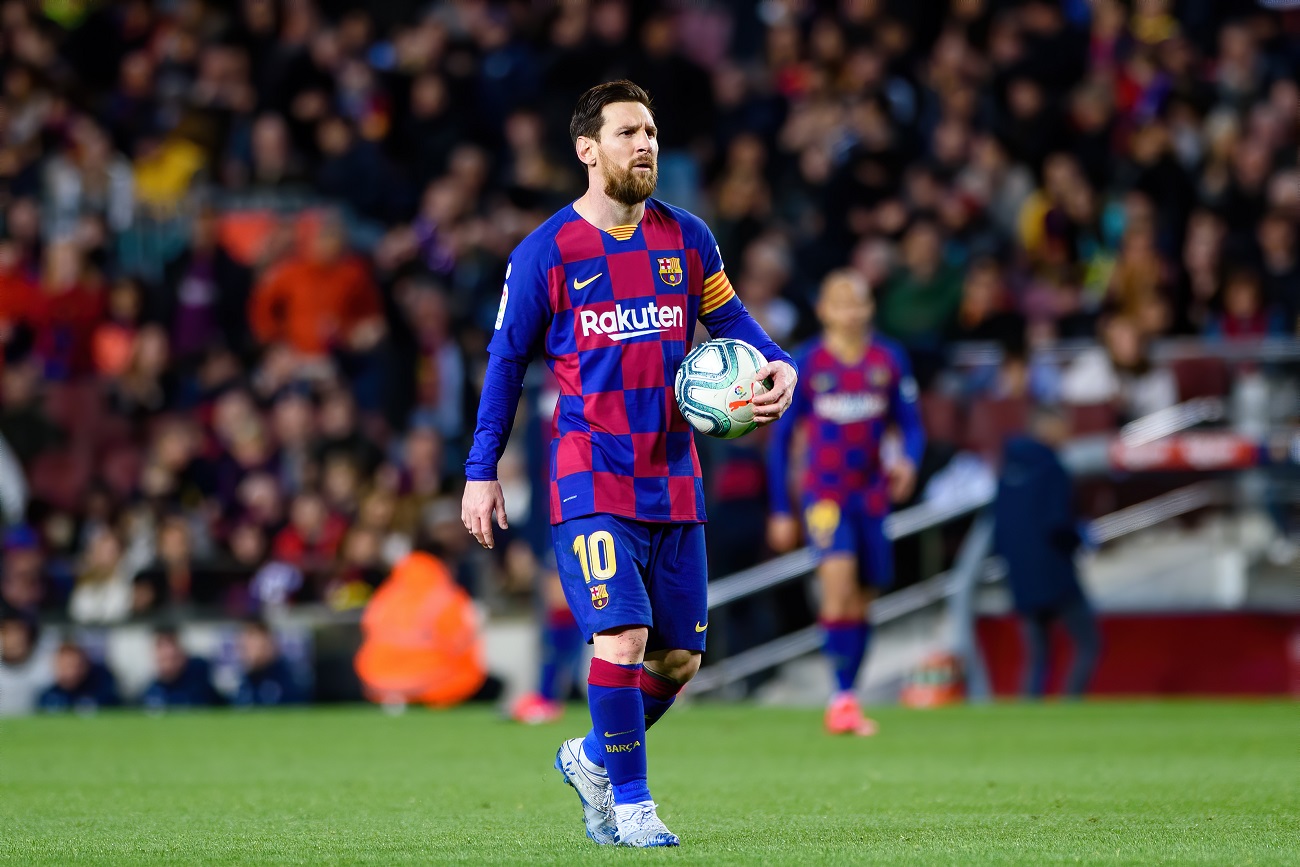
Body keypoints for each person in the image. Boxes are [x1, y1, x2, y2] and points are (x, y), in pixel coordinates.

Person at [461, 81, 797, 848]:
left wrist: (781, 363)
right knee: (622, 638)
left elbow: (733, 319)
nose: (645, 144)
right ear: (587, 149)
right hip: (591, 473)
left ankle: (590, 758)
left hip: (673, 474)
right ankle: (634, 804)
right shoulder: (545, 252)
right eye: (627, 133)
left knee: (678, 659)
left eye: (651, 132)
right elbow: (506, 364)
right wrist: (482, 468)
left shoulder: (688, 238)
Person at [765, 269, 924, 736]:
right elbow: (781, 442)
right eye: (841, 303)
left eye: (858, 302)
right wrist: (781, 508)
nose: (851, 312)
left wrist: (909, 461)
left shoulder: (888, 359)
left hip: (872, 493)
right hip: (824, 494)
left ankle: (849, 694)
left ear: (870, 308)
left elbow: (911, 424)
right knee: (838, 588)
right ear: (824, 310)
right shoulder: (807, 363)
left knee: (863, 598)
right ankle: (840, 698)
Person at [993, 405, 1100, 698]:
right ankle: (1070, 706)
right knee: (1088, 643)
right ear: (1048, 427)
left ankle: (1029, 713)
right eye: (1063, 426)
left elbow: (998, 530)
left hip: (1020, 576)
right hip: (1055, 574)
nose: (1068, 433)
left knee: (1037, 656)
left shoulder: (1007, 470)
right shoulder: (1052, 468)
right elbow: (1058, 523)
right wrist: (1081, 540)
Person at [140, 628, 223, 709]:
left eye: (172, 644)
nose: (168, 652)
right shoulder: (151, 693)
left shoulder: (201, 674)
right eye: (161, 646)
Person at [233, 619, 304, 707]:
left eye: (251, 636)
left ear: (267, 643)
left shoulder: (286, 681)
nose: (244, 643)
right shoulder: (244, 681)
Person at [37, 642, 121, 713]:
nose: (71, 672)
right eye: (66, 666)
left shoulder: (102, 694)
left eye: (76, 666)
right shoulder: (47, 697)